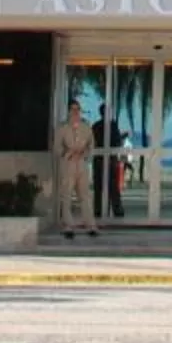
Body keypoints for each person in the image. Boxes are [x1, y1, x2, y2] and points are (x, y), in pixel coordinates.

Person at [56, 100, 98, 239]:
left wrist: (84, 154)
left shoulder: (86, 127)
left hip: (82, 165)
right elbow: (57, 147)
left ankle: (91, 225)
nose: (75, 112)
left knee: (85, 196)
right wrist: (68, 153)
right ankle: (68, 226)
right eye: (73, 109)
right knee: (67, 196)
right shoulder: (62, 128)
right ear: (68, 111)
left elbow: (91, 145)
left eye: (77, 109)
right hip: (68, 164)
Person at [93, 110, 125, 221]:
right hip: (110, 159)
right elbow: (118, 142)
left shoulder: (96, 126)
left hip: (98, 159)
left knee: (98, 187)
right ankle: (117, 210)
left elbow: (92, 142)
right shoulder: (113, 125)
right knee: (113, 187)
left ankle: (99, 210)